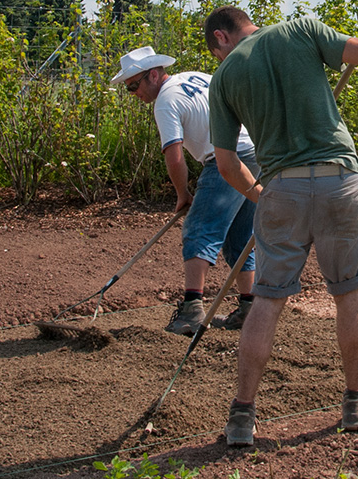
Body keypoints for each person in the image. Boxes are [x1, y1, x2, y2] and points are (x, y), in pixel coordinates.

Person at [201, 6, 358, 447]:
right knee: (349, 293)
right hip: (340, 180)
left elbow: (226, 165)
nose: (218, 58)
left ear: (222, 37)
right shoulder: (301, 29)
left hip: (281, 186)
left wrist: (262, 196)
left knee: (267, 299)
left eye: (214, 51)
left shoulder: (224, 78)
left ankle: (241, 417)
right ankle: (355, 404)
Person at [111, 46, 259, 335]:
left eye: (133, 86)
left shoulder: (165, 101)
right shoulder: (196, 77)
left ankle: (192, 311)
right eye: (128, 88)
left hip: (226, 158)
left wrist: (183, 194)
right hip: (254, 154)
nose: (133, 94)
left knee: (199, 230)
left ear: (153, 75)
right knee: (239, 236)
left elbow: (174, 155)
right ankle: (249, 307)